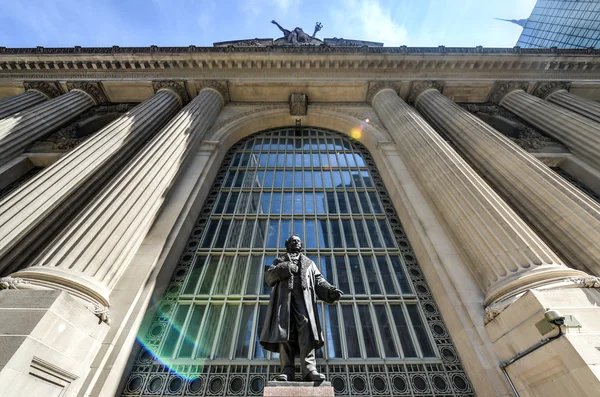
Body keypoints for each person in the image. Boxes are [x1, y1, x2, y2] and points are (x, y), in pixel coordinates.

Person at [259, 235, 343, 382]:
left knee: (306, 330)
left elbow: (319, 280)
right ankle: (287, 370)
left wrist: (330, 291)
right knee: (285, 332)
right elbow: (268, 276)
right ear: (288, 245)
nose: (296, 242)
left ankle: (309, 369)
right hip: (284, 300)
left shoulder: (309, 263)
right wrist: (285, 268)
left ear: (301, 245)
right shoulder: (280, 260)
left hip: (303, 301)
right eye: (293, 241)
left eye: (298, 241)